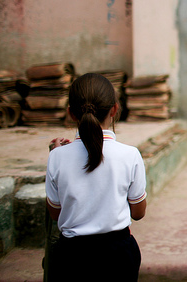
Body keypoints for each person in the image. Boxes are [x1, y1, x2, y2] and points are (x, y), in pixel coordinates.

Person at [44, 73, 147, 282]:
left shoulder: (57, 157)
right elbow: (138, 212)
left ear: (71, 113)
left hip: (71, 257)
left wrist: (57, 154)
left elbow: (55, 214)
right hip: (118, 255)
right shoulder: (130, 155)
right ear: (115, 109)